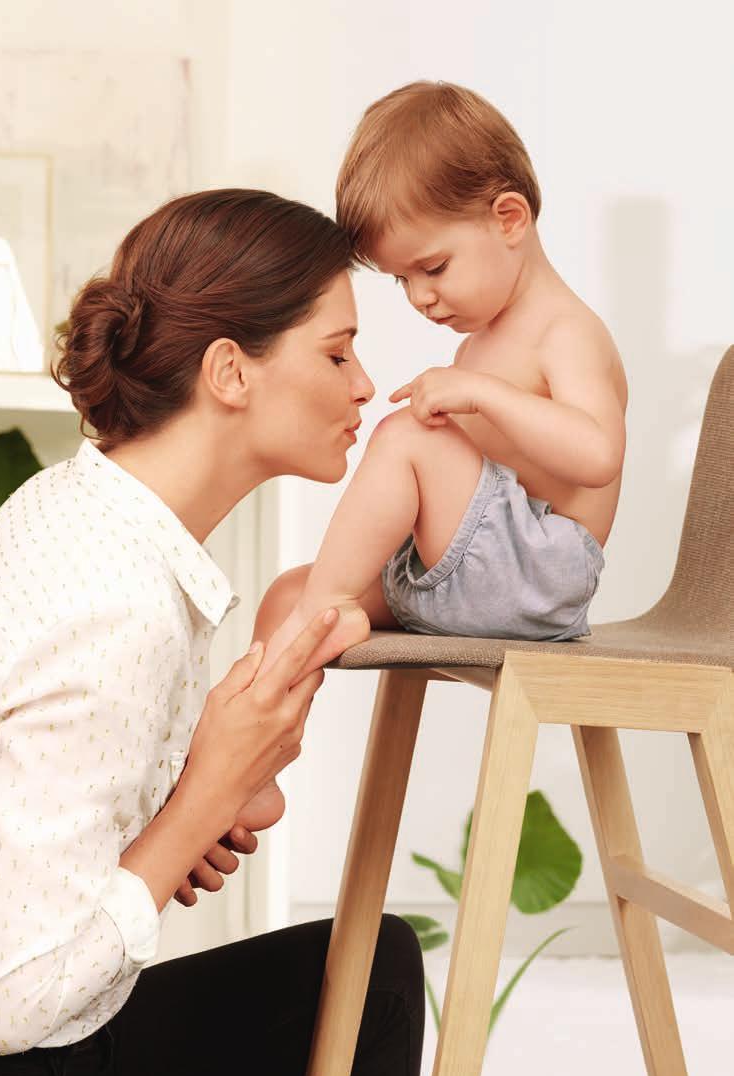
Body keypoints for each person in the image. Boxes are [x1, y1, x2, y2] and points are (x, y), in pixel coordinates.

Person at [0, 187, 513, 1076]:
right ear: (231, 371)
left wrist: (135, 803)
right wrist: (195, 802)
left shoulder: (85, 504)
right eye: (335, 353)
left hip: (7, 1042)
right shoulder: (114, 598)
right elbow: (15, 1004)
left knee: (374, 966)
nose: (366, 385)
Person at [253, 80, 628, 680]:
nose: (420, 297)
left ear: (509, 218)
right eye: (402, 280)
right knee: (286, 598)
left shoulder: (566, 329)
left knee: (409, 437)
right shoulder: (481, 343)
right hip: (469, 567)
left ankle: (323, 606)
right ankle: (258, 763)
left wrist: (481, 395)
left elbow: (598, 454)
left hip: (535, 576)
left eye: (432, 268)